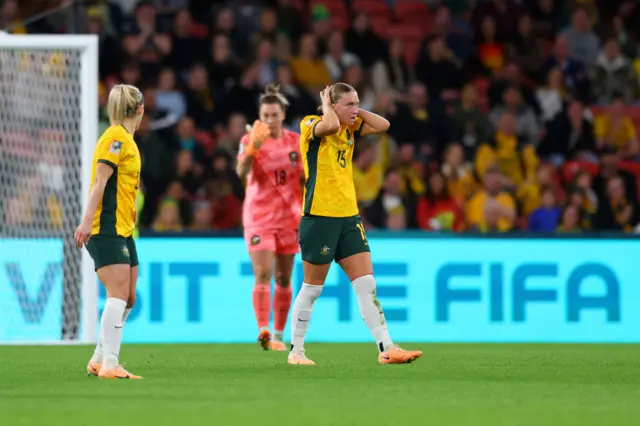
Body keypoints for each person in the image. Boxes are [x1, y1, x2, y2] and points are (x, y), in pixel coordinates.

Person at [289, 83, 423, 365]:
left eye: (357, 103)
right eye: (348, 104)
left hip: (349, 217)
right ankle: (296, 351)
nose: (354, 110)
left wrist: (355, 110)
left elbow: (384, 124)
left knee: (367, 284)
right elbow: (328, 125)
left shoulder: (350, 128)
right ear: (331, 105)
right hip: (320, 217)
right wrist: (328, 106)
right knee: (312, 288)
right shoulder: (310, 124)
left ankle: (386, 348)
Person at [74, 84, 144, 380]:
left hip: (124, 228)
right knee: (117, 295)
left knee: (128, 298)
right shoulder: (115, 138)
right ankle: (111, 365)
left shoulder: (126, 139)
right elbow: (99, 183)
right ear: (139, 108)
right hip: (106, 228)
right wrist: (87, 220)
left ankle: (98, 359)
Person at [236, 85, 303, 351]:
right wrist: (253, 147)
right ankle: (262, 329)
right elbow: (241, 171)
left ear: (283, 114)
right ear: (259, 116)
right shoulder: (251, 140)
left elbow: (308, 176)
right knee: (262, 273)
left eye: (274, 115)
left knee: (285, 278)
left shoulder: (296, 142)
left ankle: (277, 334)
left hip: (290, 218)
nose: (270, 120)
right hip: (259, 216)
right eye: (265, 115)